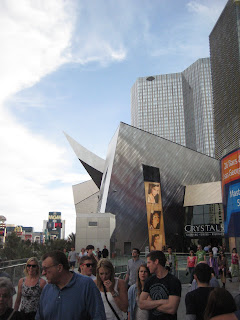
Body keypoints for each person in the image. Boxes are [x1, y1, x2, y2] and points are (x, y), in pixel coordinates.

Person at [35, 250, 106, 320]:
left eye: (45, 269)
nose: (43, 273)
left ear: (59, 268)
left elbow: (98, 316)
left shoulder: (86, 285)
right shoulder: (47, 289)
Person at [139, 250, 181, 320]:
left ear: (156, 261)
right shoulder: (149, 281)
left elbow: (172, 309)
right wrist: (161, 302)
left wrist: (150, 303)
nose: (147, 265)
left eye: (149, 262)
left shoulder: (174, 281)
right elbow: (141, 304)